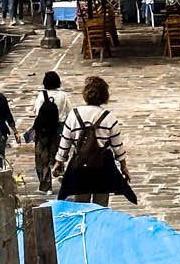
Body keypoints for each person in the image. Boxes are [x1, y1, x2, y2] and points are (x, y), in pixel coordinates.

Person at [54, 75, 133, 206]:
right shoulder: (109, 117)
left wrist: (59, 161)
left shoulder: (74, 115)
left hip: (80, 166)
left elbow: (65, 142)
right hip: (102, 166)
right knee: (101, 208)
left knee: (80, 207)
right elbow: (117, 146)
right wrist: (123, 166)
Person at [23, 69, 71, 194]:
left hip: (43, 131)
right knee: (58, 154)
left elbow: (37, 112)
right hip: (59, 128)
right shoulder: (63, 96)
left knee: (42, 158)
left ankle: (46, 186)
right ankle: (61, 176)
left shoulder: (41, 96)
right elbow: (69, 112)